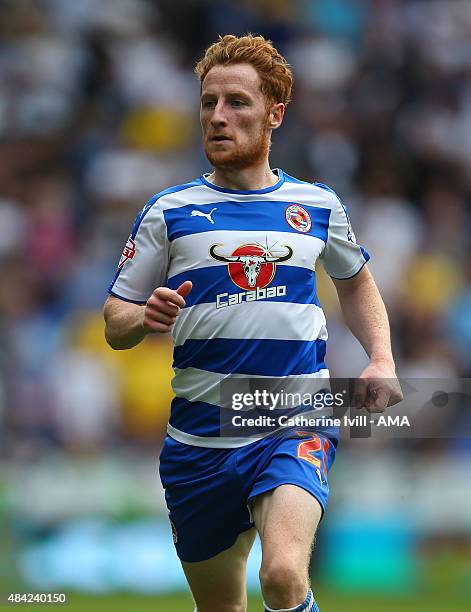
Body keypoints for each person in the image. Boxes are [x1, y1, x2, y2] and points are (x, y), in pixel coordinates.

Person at [103, 34, 403, 612]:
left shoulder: (316, 205)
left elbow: (356, 281)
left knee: (284, 576)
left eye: (237, 102)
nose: (218, 117)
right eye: (208, 103)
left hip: (291, 421)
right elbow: (115, 322)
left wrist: (382, 358)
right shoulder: (168, 212)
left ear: (275, 113)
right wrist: (144, 315)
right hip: (198, 441)